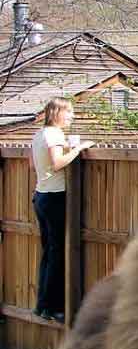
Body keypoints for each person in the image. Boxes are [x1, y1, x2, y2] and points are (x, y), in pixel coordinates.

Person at [31, 98, 93, 322]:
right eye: (69, 113)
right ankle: (54, 308)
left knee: (49, 253)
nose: (72, 117)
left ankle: (41, 306)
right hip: (55, 198)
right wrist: (79, 148)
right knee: (58, 254)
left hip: (41, 196)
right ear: (57, 113)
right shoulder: (55, 134)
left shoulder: (39, 134)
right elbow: (57, 163)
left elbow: (33, 166)